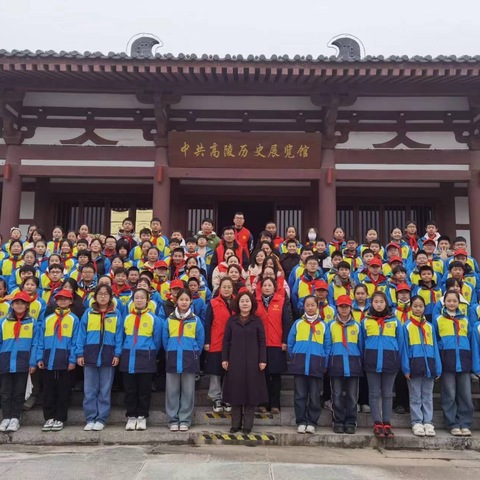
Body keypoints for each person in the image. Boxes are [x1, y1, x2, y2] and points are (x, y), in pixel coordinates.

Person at [76, 284, 123, 431]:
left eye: (105, 294)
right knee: (90, 389)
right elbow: (81, 334)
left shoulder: (116, 314)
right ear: (95, 296)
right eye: (100, 294)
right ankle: (90, 417)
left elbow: (119, 336)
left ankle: (101, 418)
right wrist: (79, 353)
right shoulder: (88, 313)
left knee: (105, 389)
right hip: (90, 353)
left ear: (110, 297)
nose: (103, 296)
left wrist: (117, 354)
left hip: (108, 355)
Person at [222, 290, 268, 434]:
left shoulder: (257, 320)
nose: (245, 303)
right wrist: (225, 358)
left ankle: (248, 425)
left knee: (251, 393)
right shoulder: (232, 320)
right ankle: (235, 424)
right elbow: (226, 341)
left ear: (252, 303)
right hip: (235, 360)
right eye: (242, 301)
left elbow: (262, 341)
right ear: (238, 303)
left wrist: (263, 359)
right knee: (236, 392)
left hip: (254, 361)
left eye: (247, 301)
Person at [362, 291, 404, 438]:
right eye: (376, 302)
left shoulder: (394, 321)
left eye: (381, 302)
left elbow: (401, 343)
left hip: (389, 361)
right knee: (374, 393)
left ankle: (387, 422)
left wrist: (400, 362)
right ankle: (377, 422)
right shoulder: (366, 321)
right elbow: (362, 342)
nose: (379, 304)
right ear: (371, 303)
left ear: (386, 303)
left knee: (387, 394)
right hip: (372, 361)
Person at [119, 288, 162, 431]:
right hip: (128, 357)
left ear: (147, 300)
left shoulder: (154, 319)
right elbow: (122, 337)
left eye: (142, 297)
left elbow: (157, 340)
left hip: (146, 358)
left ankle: (142, 416)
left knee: (144, 390)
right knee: (130, 389)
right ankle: (131, 416)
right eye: (136, 297)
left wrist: (150, 352)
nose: (139, 300)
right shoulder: (126, 317)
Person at [37, 289, 79, 432]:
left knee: (63, 391)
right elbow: (41, 340)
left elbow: (75, 341)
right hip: (49, 360)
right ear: (56, 300)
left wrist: (72, 360)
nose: (62, 301)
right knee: (49, 390)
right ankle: (49, 417)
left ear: (70, 301)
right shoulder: (48, 319)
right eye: (59, 299)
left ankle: (60, 417)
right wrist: (39, 357)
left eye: (65, 299)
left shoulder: (74, 319)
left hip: (65, 360)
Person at [163, 288, 205, 432]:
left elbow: (200, 340)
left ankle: (185, 419)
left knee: (188, 391)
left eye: (187, 300)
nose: (184, 302)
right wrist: (169, 351)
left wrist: (194, 353)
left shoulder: (196, 320)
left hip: (189, 358)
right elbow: (165, 339)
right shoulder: (169, 319)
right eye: (181, 299)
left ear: (191, 301)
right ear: (176, 301)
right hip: (173, 357)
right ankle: (172, 419)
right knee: (172, 390)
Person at [287, 295, 330, 434]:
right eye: (307, 305)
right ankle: (301, 420)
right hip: (300, 364)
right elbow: (290, 342)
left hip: (316, 364)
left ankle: (312, 421)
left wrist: (324, 362)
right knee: (300, 395)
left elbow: (327, 346)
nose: (310, 308)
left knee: (315, 395)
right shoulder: (298, 323)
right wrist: (294, 357)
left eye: (313, 305)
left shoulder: (323, 325)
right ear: (303, 307)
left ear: (317, 307)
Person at [433, 290, 473, 436]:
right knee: (449, 394)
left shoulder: (465, 320)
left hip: (463, 360)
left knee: (465, 395)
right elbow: (435, 341)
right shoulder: (438, 319)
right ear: (444, 302)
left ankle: (465, 423)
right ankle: (452, 423)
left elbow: (469, 339)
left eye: (454, 301)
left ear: (459, 302)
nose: (451, 303)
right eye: (448, 301)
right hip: (447, 361)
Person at [401, 296, 441, 437]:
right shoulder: (406, 326)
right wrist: (406, 368)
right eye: (415, 306)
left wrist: (438, 367)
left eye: (421, 306)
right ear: (411, 307)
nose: (418, 308)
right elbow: (404, 349)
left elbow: (435, 347)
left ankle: (428, 422)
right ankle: (417, 421)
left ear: (424, 308)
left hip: (429, 364)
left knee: (427, 396)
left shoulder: (429, 326)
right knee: (415, 396)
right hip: (414, 364)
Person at [0, 291, 38, 433]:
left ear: (27, 305)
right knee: (5, 391)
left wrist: (32, 362)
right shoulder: (3, 322)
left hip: (23, 361)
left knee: (19, 391)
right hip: (5, 360)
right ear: (12, 304)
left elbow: (35, 344)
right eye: (17, 303)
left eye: (23, 303)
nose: (19, 305)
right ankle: (6, 417)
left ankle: (15, 417)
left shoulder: (33, 322)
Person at [327, 295, 363, 434]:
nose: (343, 309)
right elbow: (328, 345)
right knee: (336, 394)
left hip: (353, 364)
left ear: (350, 308)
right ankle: (338, 420)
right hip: (336, 363)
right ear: (337, 308)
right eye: (341, 306)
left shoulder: (357, 326)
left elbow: (361, 345)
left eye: (346, 306)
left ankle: (350, 421)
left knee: (352, 395)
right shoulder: (330, 325)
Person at [255, 278, 292, 414]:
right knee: (261, 375)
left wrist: (284, 341)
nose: (267, 287)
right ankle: (262, 403)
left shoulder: (281, 301)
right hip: (260, 344)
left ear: (274, 287)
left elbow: (287, 322)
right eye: (264, 285)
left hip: (276, 343)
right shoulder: (255, 302)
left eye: (270, 285)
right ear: (260, 287)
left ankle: (275, 404)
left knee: (275, 375)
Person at [204, 276, 235, 413]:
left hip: (234, 344)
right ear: (219, 288)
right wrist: (207, 341)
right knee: (216, 372)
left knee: (231, 372)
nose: (227, 289)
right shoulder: (213, 303)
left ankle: (228, 397)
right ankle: (216, 398)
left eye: (229, 287)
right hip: (217, 342)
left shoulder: (238, 302)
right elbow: (208, 323)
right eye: (224, 287)